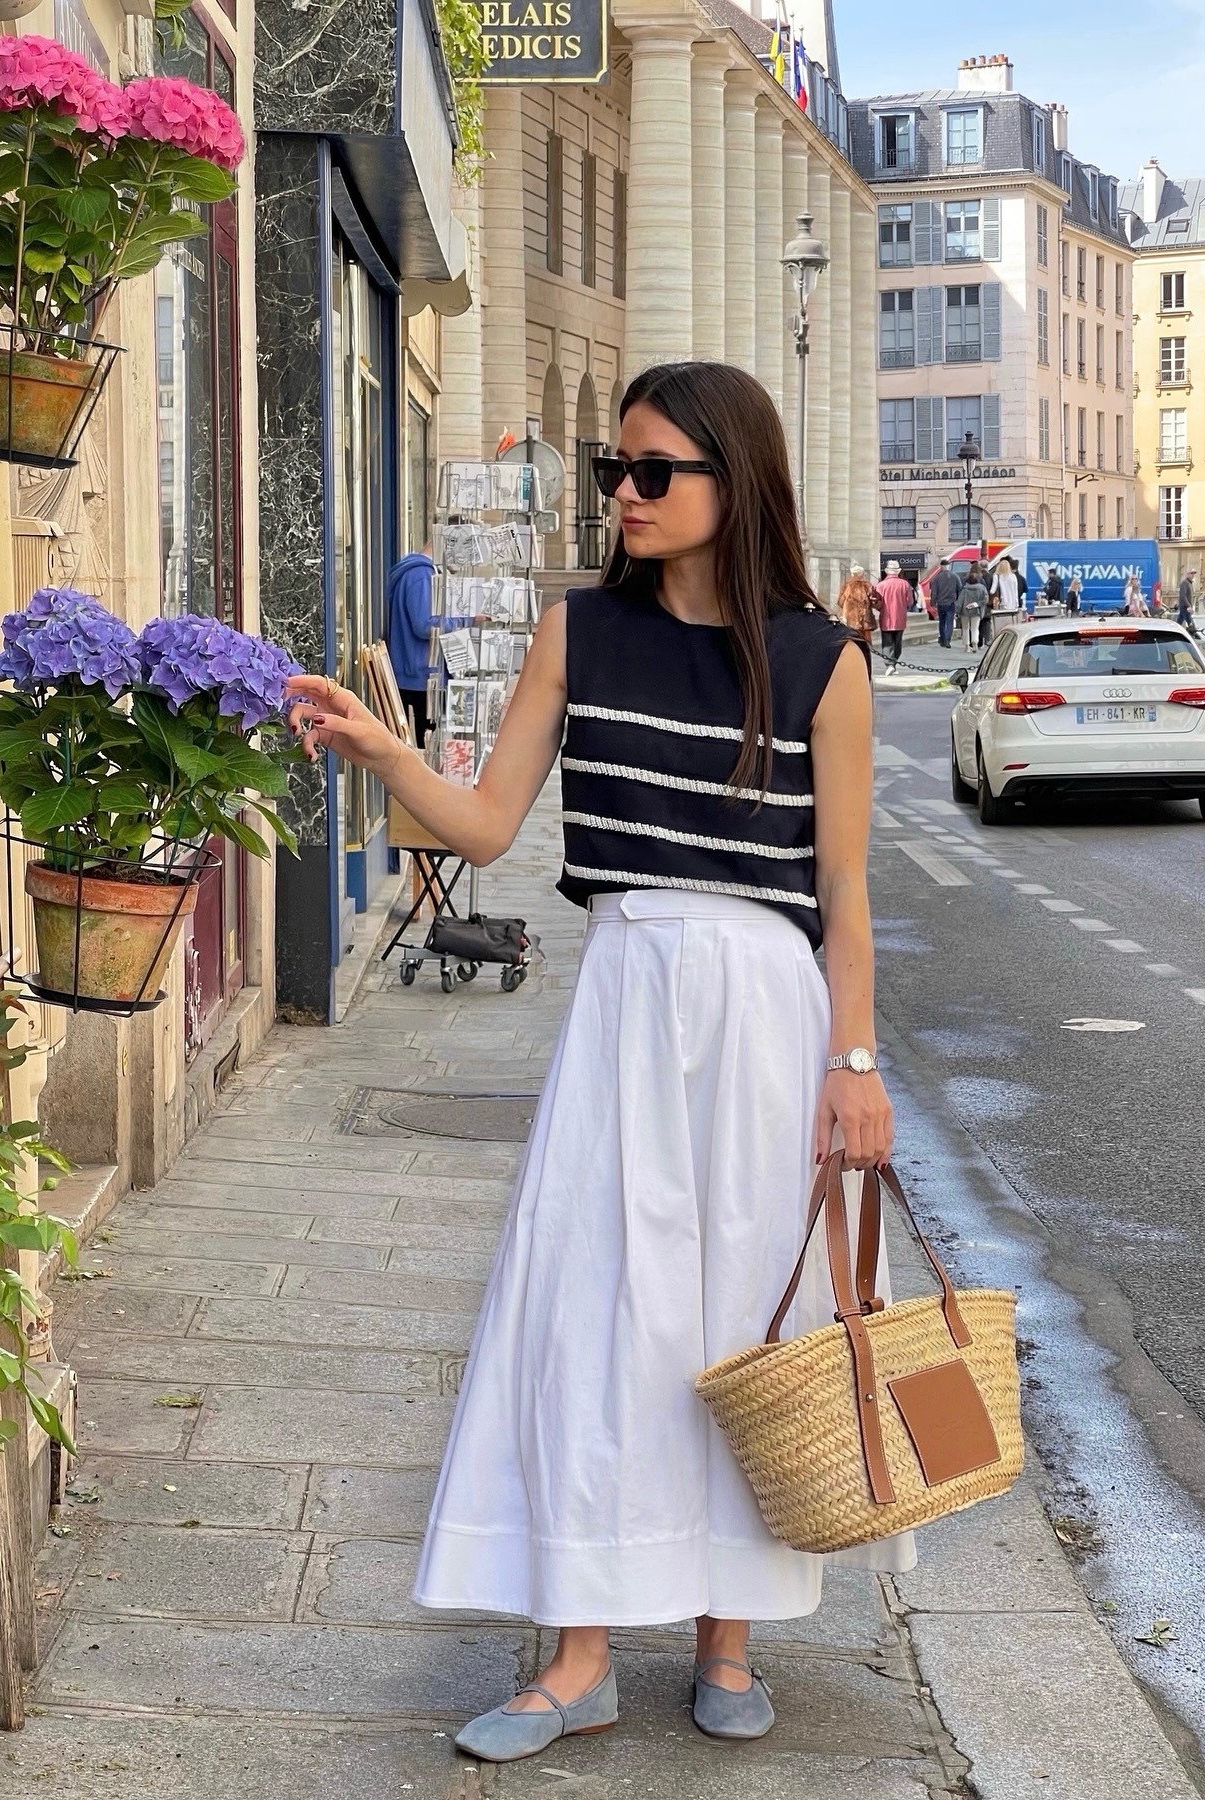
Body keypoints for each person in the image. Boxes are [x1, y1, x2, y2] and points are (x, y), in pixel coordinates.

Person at [286, 362, 905, 1764]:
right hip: (627, 993)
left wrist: (854, 1062)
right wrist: (385, 750)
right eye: (611, 472)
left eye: (650, 473)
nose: (621, 495)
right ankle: (576, 1659)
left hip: (765, 1005)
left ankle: (727, 1633)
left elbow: (848, 895)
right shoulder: (579, 634)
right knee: (590, 1305)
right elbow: (490, 826)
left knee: (746, 1311)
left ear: (730, 485)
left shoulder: (824, 662)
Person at [385, 541, 437, 744]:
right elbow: (424, 625)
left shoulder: (412, 571)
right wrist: (466, 619)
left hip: (411, 672)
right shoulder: (420, 575)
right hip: (419, 674)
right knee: (427, 744)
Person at [875, 559, 914, 668]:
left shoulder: (881, 585)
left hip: (886, 618)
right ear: (898, 571)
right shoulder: (905, 584)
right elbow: (909, 601)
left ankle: (889, 664)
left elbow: (877, 602)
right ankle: (894, 661)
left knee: (887, 642)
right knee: (898, 642)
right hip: (900, 618)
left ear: (887, 571)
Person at [837, 565, 880, 643]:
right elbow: (873, 601)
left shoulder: (847, 585)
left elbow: (840, 602)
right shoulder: (868, 585)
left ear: (852, 574)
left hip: (850, 617)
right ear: (862, 574)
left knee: (852, 639)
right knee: (866, 638)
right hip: (865, 618)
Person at [928, 556, 961, 649]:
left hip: (941, 603)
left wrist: (933, 602)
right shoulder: (955, 576)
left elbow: (934, 592)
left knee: (942, 622)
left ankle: (943, 639)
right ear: (949, 566)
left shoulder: (937, 578)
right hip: (951, 602)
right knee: (949, 622)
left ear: (941, 566)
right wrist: (957, 599)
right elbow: (959, 589)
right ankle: (947, 640)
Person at [958, 562, 989, 652]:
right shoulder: (982, 588)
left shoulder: (965, 589)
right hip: (977, 610)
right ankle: (975, 642)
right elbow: (985, 599)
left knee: (965, 628)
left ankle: (967, 646)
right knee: (975, 628)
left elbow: (960, 601)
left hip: (965, 610)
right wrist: (976, 604)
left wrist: (957, 611)